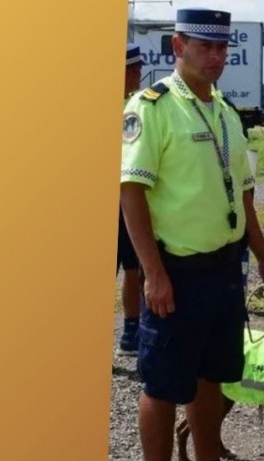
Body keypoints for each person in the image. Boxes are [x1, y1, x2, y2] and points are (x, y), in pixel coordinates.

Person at [119, 8, 264, 461]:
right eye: (206, 46)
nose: (217, 57)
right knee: (162, 385)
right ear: (178, 47)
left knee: (211, 376)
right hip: (176, 273)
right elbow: (131, 192)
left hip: (224, 271)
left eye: (223, 48)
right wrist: (153, 274)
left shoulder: (226, 112)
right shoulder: (152, 107)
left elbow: (245, 196)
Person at [117, 43, 145, 356]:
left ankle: (130, 329)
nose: (138, 74)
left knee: (133, 267)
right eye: (133, 69)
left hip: (126, 203)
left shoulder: (133, 108)